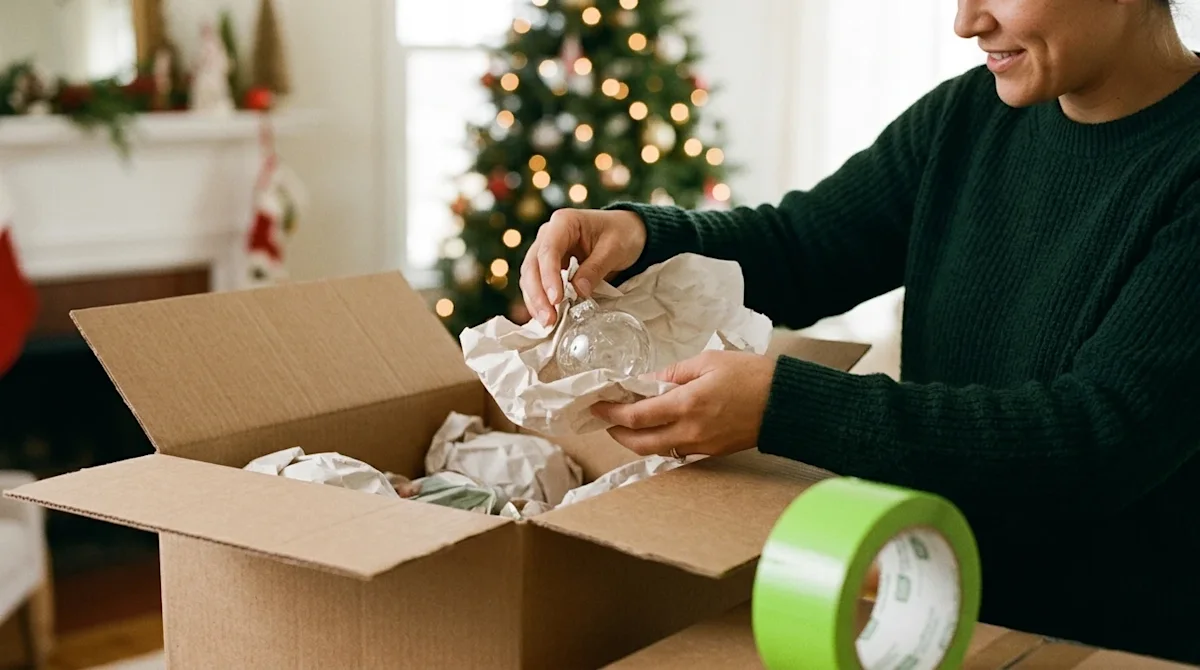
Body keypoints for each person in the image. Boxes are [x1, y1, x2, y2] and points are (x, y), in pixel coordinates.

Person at [519, 0, 1200, 664]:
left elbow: (1095, 441)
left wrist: (784, 406)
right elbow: (801, 248)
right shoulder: (968, 116)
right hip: (932, 614)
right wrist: (642, 235)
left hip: (1116, 641)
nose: (966, 22)